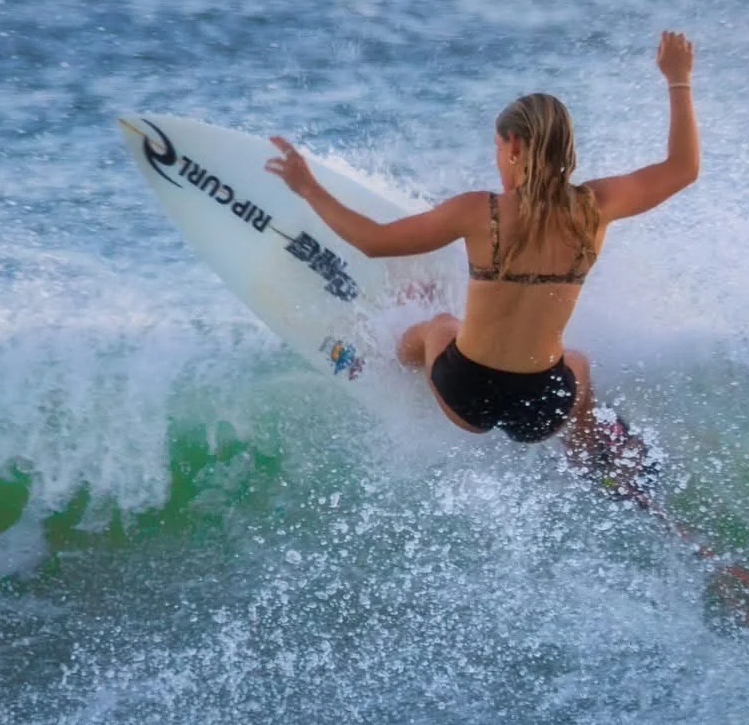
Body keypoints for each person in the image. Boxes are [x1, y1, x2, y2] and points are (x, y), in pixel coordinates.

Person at [265, 31, 698, 481]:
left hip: (467, 396)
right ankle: (588, 451)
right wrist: (678, 79)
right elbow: (683, 168)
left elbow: (373, 242)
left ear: (513, 146)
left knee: (440, 325)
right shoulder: (596, 207)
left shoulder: (479, 211)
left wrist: (309, 189)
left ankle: (388, 363)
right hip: (541, 411)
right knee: (579, 365)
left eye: (496, 147)